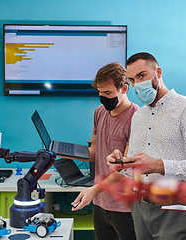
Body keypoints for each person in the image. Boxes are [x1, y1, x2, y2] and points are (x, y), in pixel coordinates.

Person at [107, 52, 186, 240]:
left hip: (175, 208)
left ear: (158, 72)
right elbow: (139, 167)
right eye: (132, 80)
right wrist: (121, 165)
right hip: (140, 207)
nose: (137, 84)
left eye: (142, 76)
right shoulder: (138, 116)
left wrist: (160, 165)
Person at [65, 62, 139, 240]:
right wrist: (59, 152)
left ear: (124, 88)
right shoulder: (100, 112)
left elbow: (126, 168)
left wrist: (94, 190)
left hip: (125, 208)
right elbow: (93, 153)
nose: (103, 97)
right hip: (100, 204)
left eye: (108, 93)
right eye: (100, 92)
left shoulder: (137, 117)